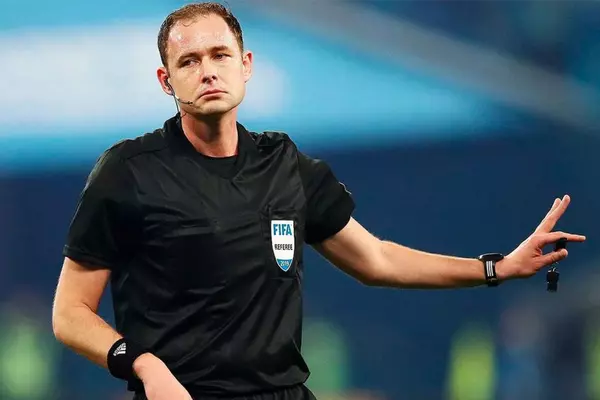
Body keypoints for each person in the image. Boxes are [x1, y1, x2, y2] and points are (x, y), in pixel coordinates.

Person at [51, 3, 586, 400]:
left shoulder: (285, 164)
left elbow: (376, 259)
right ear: (165, 80)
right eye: (188, 61)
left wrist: (495, 267)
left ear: (246, 64)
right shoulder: (128, 172)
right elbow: (70, 314)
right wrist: (143, 365)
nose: (208, 70)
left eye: (220, 55)